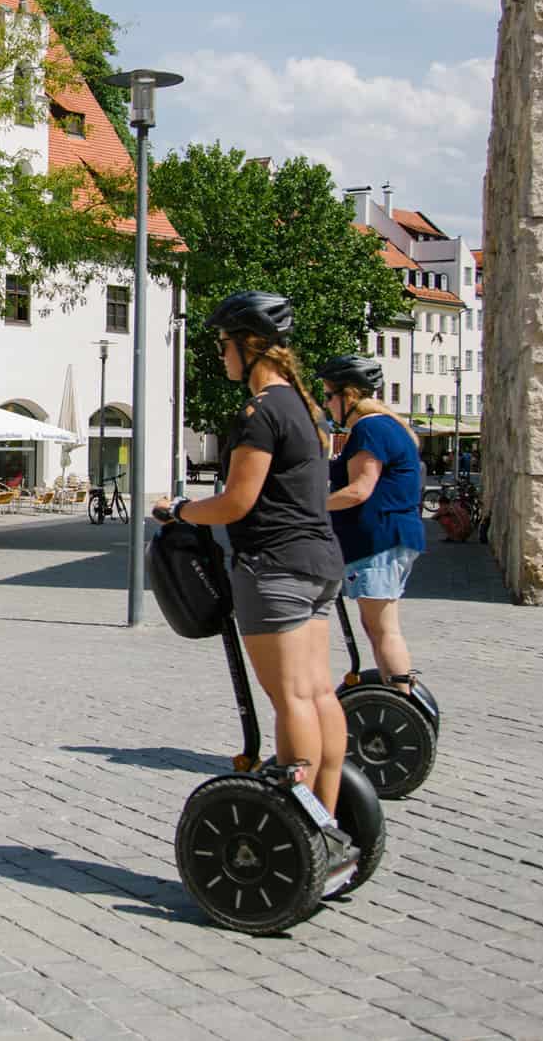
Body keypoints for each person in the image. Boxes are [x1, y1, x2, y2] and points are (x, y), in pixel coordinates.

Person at [152, 292, 349, 829]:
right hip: (320, 565)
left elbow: (237, 501)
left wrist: (181, 509)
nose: (220, 354)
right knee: (316, 691)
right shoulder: (306, 410)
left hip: (275, 568)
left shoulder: (259, 413)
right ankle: (324, 818)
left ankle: (299, 819)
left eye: (223, 344)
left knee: (291, 700)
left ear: (249, 345)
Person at [320, 354, 425, 692]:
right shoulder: (385, 426)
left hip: (378, 540)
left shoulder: (370, 428)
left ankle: (402, 700)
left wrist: (308, 509)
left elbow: (358, 490)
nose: (326, 404)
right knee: (379, 627)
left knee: (383, 630)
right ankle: (398, 696)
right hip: (388, 538)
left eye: (328, 396)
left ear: (347, 396)